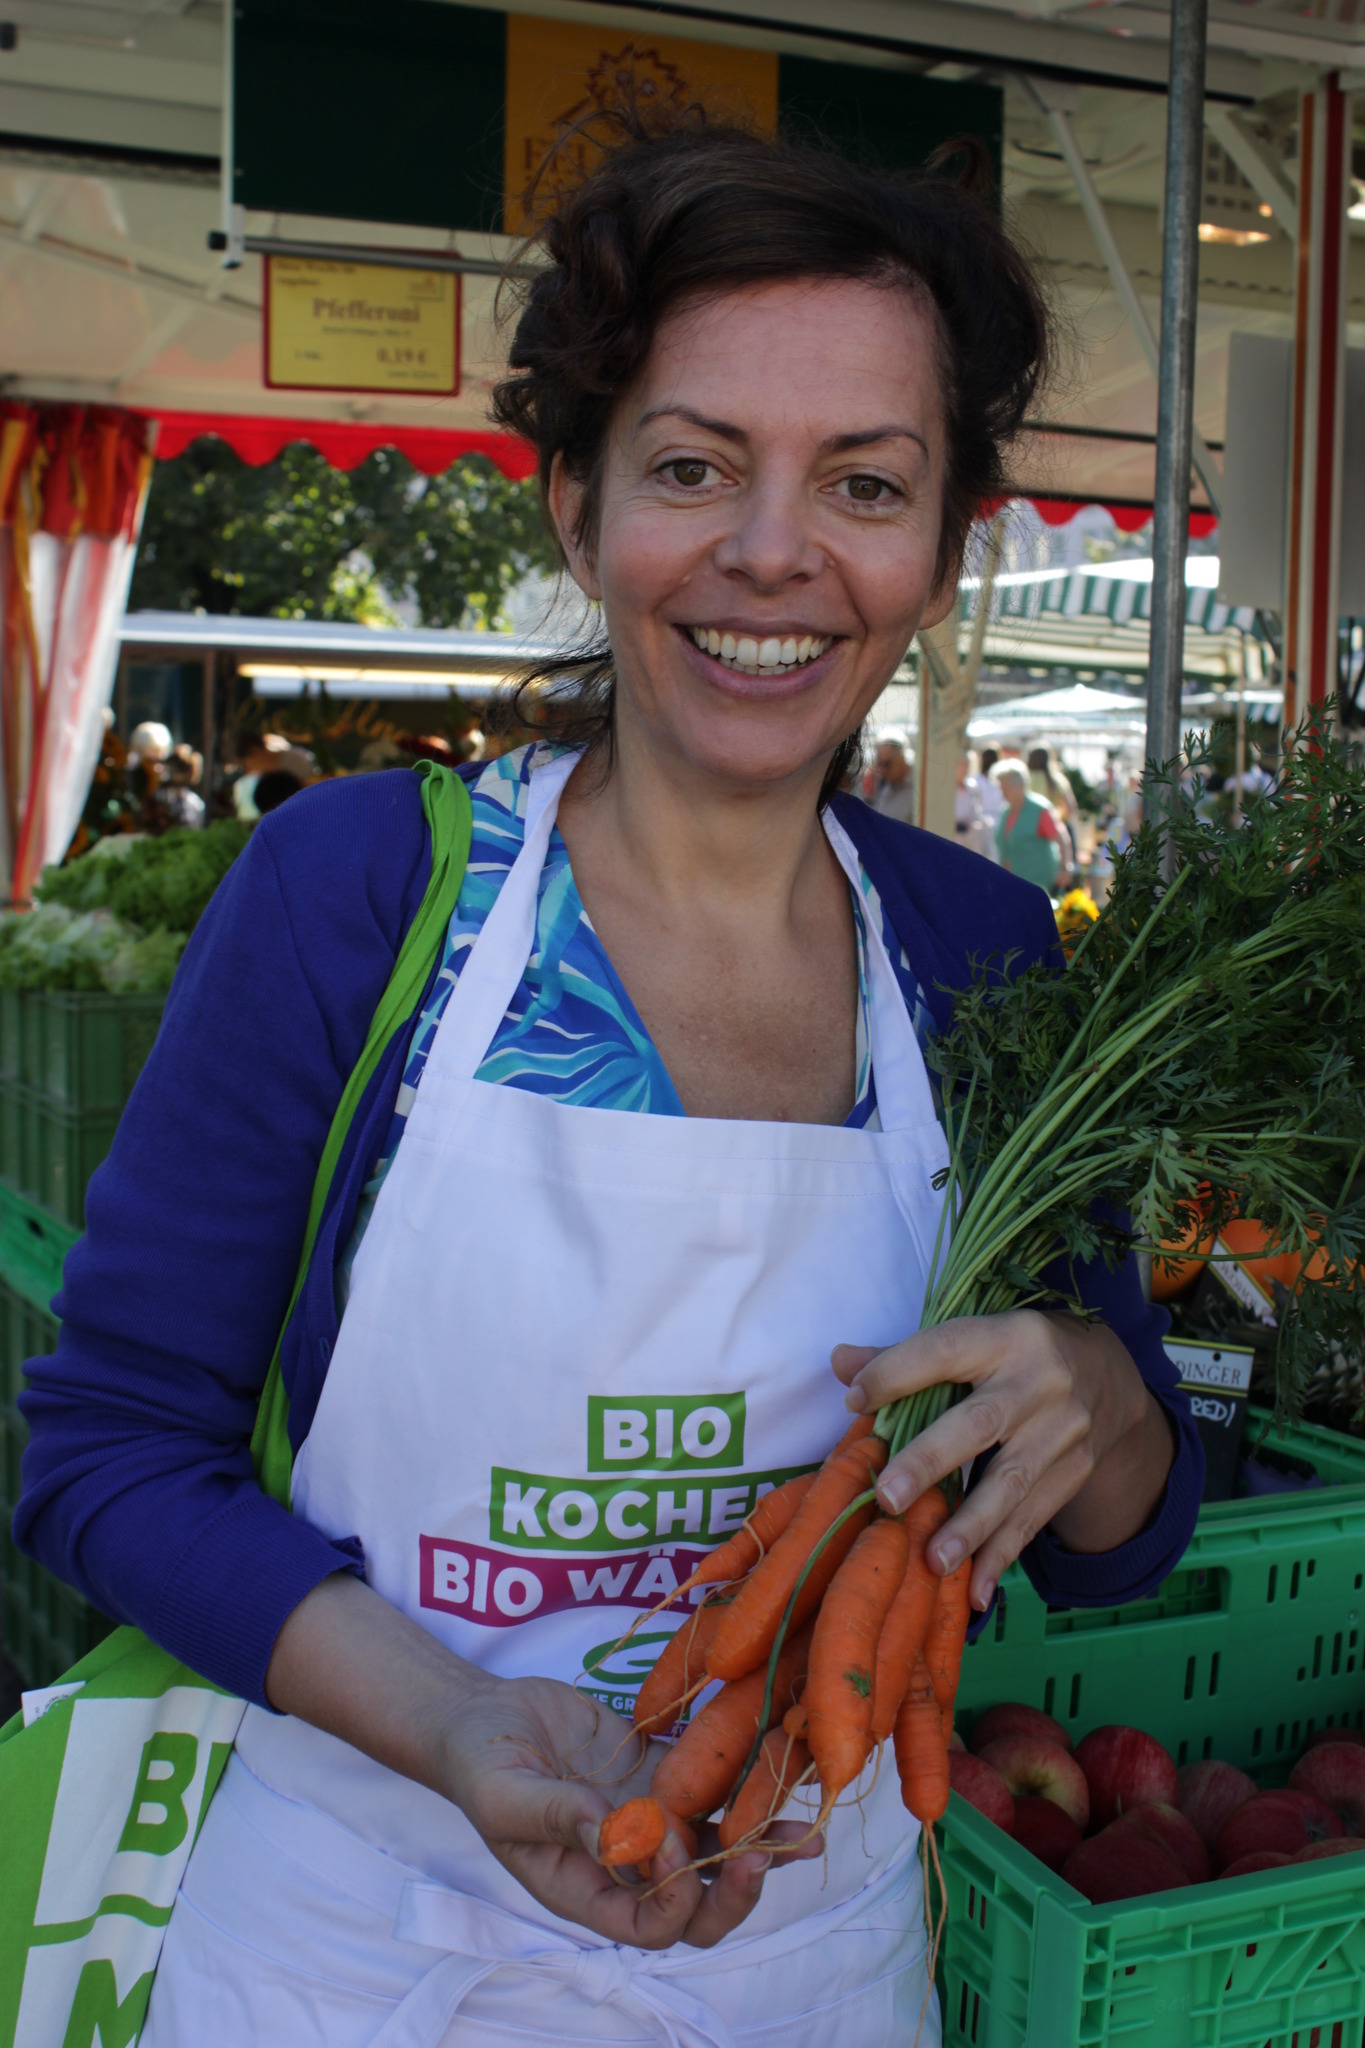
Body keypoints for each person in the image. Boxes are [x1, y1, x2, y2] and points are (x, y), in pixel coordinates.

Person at [17, 117, 1200, 2045]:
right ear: (574, 506)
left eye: (867, 483)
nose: (771, 553)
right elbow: (108, 1451)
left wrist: (1103, 1409)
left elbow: (1124, 1524)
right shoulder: (360, 897)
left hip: (811, 1966)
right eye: (692, 465)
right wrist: (462, 1719)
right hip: (352, 1953)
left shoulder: (983, 954)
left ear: (943, 548)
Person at [992, 758, 1064, 895]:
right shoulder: (1006, 812)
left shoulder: (1039, 809)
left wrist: (1064, 869)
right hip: (1013, 884)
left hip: (1039, 884)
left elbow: (1061, 838)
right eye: (1001, 789)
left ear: (1020, 786)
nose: (1003, 793)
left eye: (1006, 788)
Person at [866, 735, 917, 823]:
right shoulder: (882, 784)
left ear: (901, 758)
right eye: (879, 764)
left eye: (887, 764)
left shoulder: (917, 784)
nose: (882, 770)